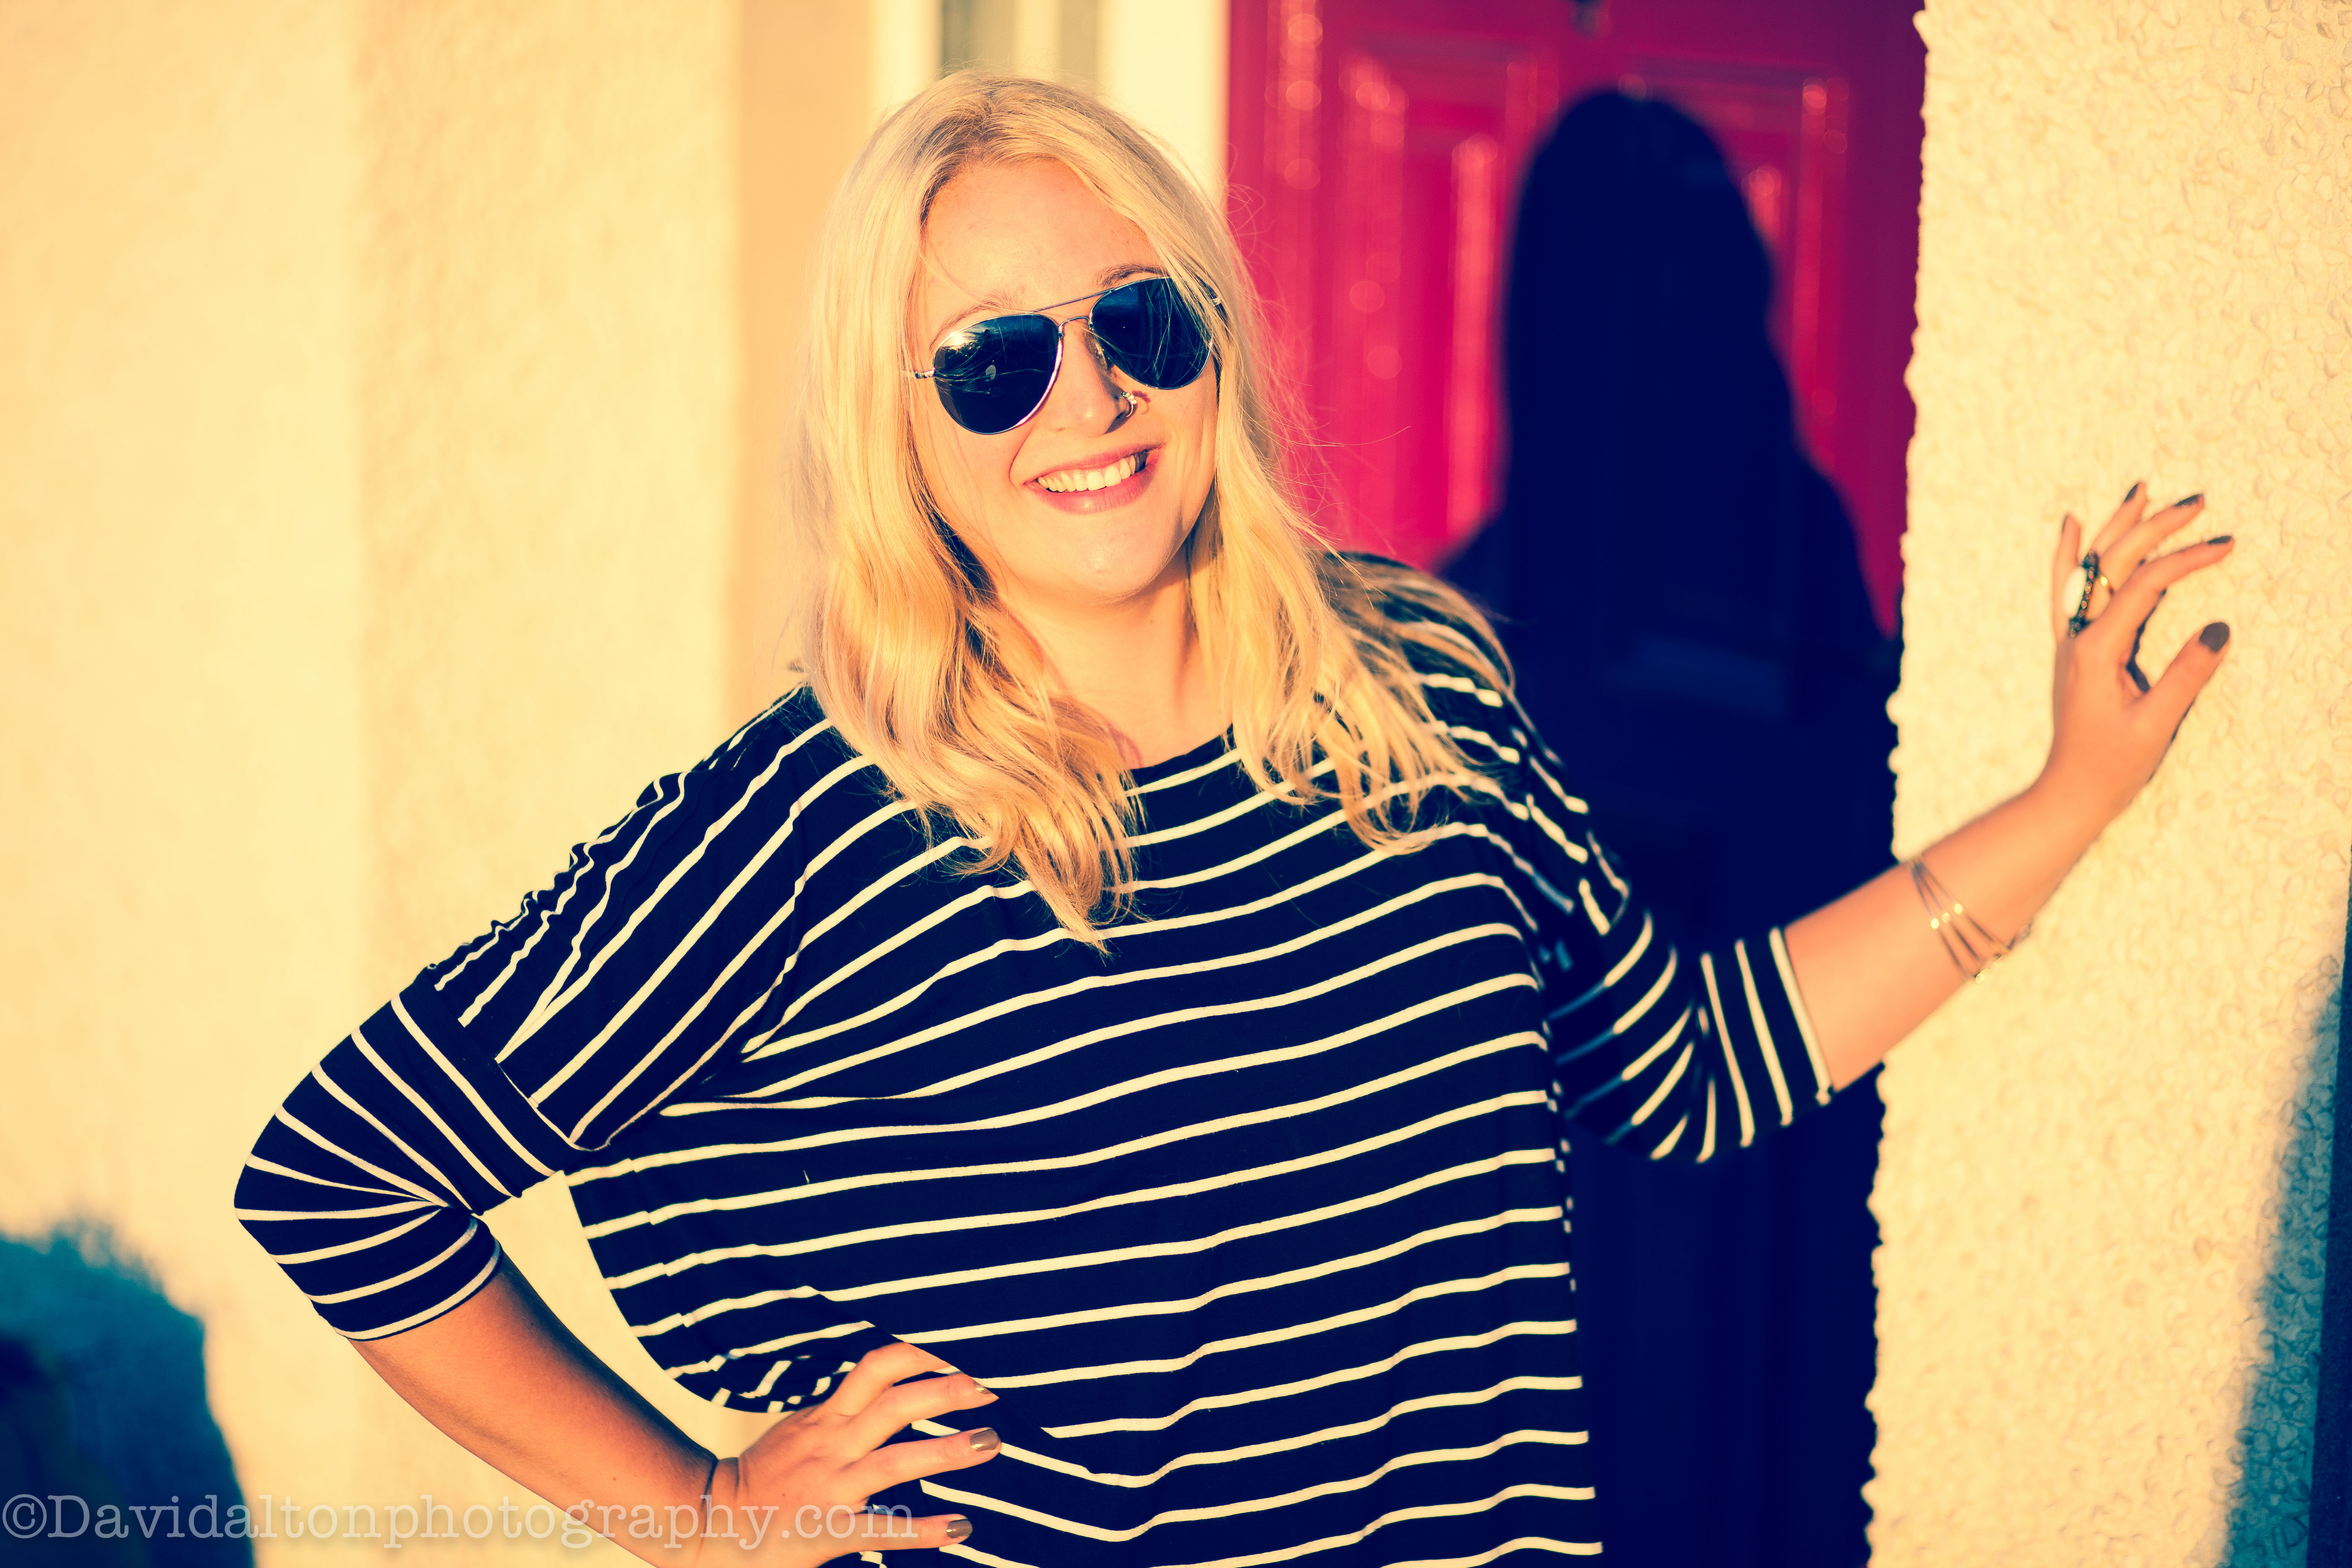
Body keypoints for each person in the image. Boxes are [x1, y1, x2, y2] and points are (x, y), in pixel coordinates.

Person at [234, 73, 2233, 1567]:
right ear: (894, 431)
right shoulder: (819, 817)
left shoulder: (1416, 689)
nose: (1087, 402)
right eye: (992, 364)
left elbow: (1680, 1067)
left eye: (1141, 324)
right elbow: (343, 1177)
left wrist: (2069, 801)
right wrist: (699, 1517)